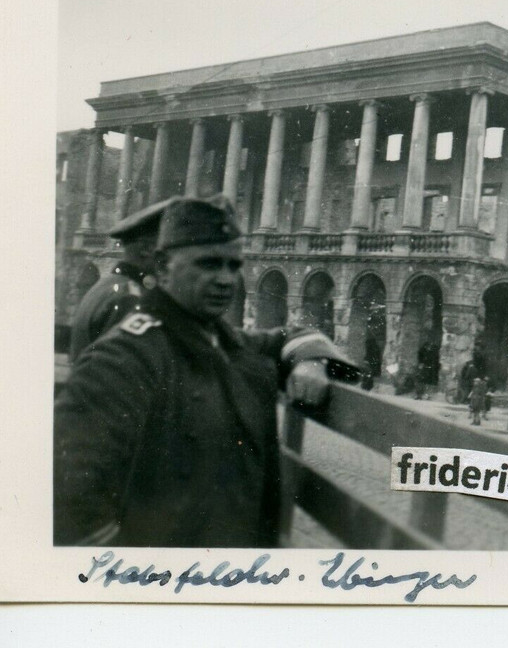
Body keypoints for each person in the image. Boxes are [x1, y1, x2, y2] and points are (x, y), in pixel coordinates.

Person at [54, 196, 356, 548]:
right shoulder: (125, 358)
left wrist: (310, 360)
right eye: (209, 264)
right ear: (163, 267)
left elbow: (289, 338)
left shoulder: (225, 343)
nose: (226, 279)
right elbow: (71, 498)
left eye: (233, 265)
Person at [68, 197, 175, 361]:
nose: (172, 256)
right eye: (168, 247)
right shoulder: (131, 298)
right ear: (147, 249)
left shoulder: (109, 284)